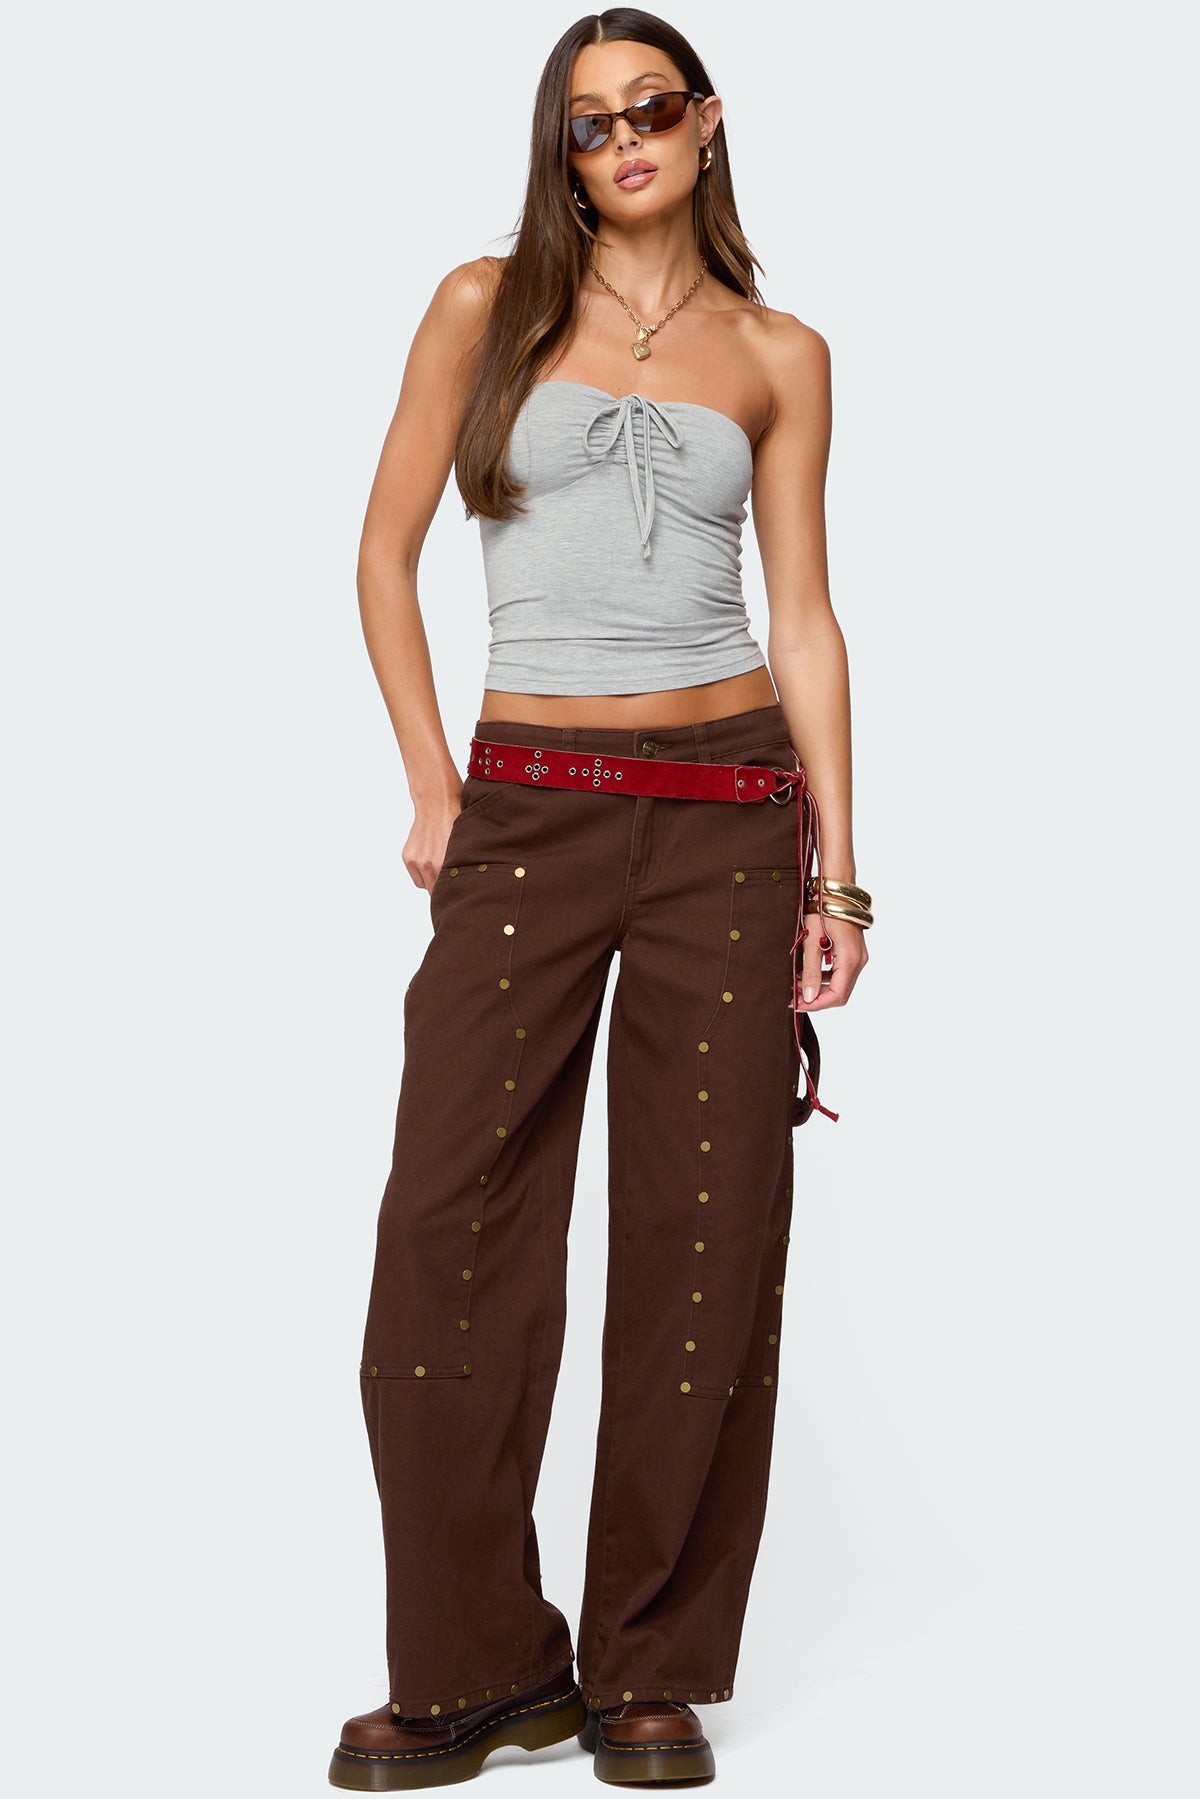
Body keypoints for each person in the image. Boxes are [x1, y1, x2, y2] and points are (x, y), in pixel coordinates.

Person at [328, 9, 872, 1789]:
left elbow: (804, 619)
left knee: (707, 1234)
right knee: (450, 1224)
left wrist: (842, 878)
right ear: (559, 151)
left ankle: (651, 1667)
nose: (621, 138)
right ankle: (478, 1667)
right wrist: (435, 786)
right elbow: (384, 552)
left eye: (650, 108)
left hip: (729, 811)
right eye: (586, 122)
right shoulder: (483, 306)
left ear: (706, 124)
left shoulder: (778, 352)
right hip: (529, 807)